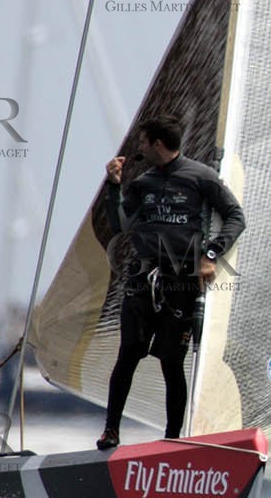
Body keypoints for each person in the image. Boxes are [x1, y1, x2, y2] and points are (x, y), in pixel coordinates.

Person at [96, 117, 246, 450]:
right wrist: (114, 185)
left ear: (157, 144)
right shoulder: (143, 182)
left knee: (171, 362)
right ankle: (111, 431)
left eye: (143, 142)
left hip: (181, 284)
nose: (139, 148)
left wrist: (210, 254)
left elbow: (237, 217)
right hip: (141, 280)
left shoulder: (202, 177)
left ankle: (173, 440)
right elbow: (119, 224)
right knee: (128, 356)